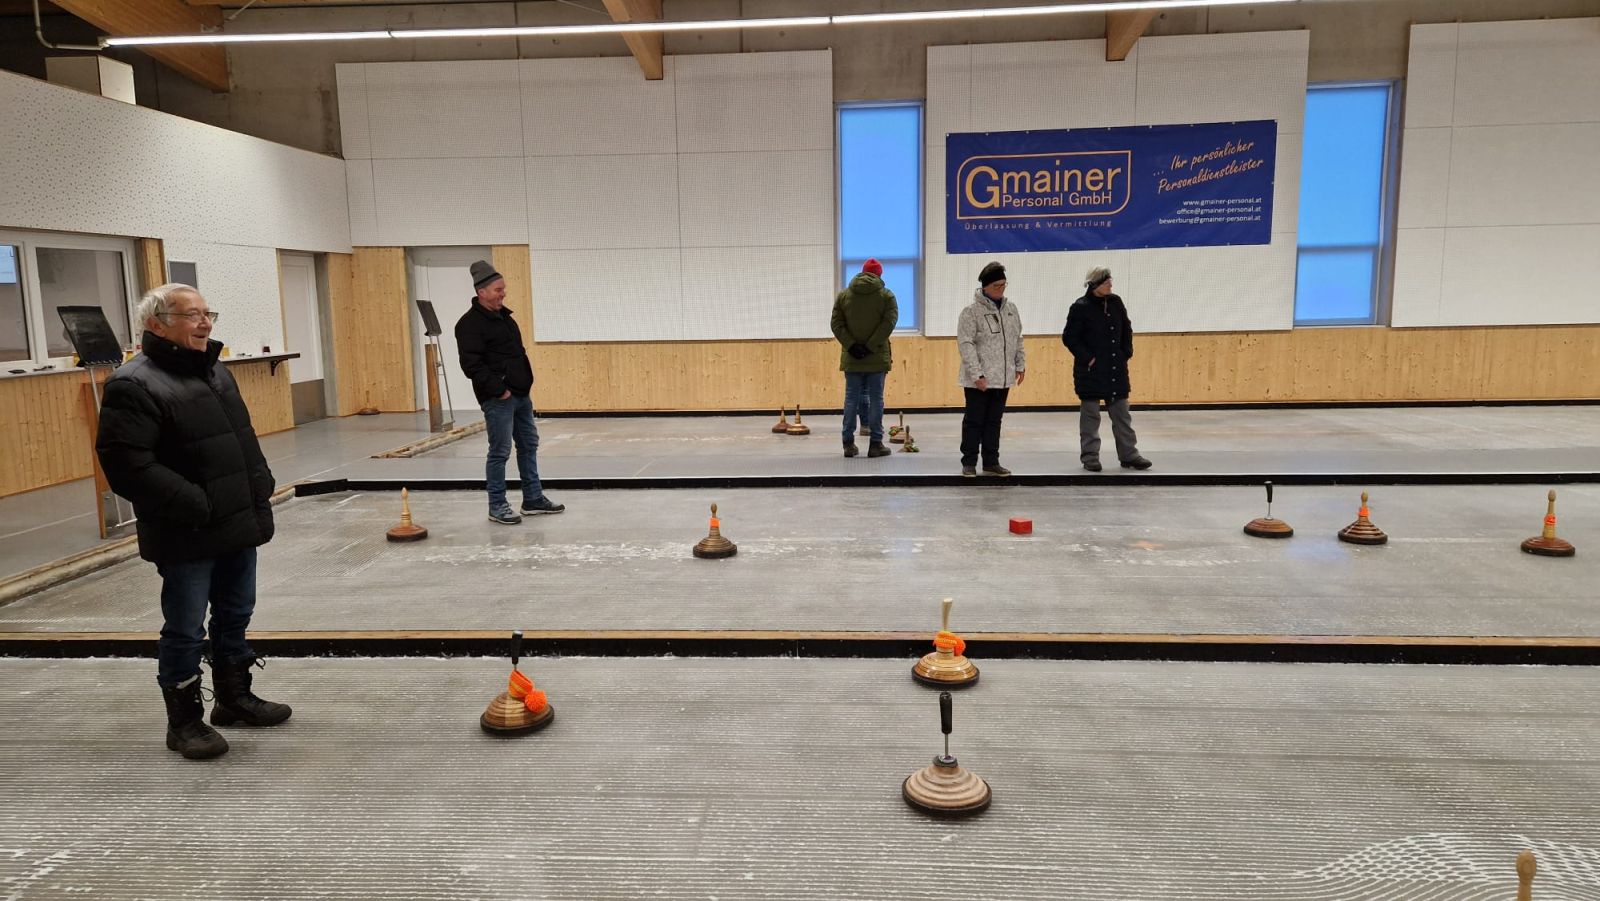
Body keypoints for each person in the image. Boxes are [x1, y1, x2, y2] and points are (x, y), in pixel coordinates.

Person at [96, 283, 290, 760]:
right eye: (191, 315)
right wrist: (196, 504)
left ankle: (234, 698)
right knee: (185, 628)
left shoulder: (214, 370)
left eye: (207, 313)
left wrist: (259, 482)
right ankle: (183, 723)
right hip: (186, 529)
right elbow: (128, 465)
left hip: (235, 518)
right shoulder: (133, 383)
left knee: (235, 613)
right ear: (156, 325)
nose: (204, 323)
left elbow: (239, 438)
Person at [455, 259, 563, 523]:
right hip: (498, 399)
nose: (503, 294)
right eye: (498, 290)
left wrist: (523, 383)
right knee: (499, 452)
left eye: (503, 289)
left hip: (521, 395)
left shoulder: (505, 318)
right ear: (481, 292)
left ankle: (533, 498)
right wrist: (499, 390)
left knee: (528, 445)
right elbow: (472, 365)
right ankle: (497, 505)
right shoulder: (469, 324)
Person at [1062, 266, 1151, 471]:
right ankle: (1090, 457)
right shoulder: (1080, 307)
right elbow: (1070, 338)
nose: (1110, 284)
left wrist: (1125, 352)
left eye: (1110, 280)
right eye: (1106, 281)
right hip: (1090, 372)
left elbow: (1126, 328)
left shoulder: (1116, 302)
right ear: (1094, 284)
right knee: (1090, 417)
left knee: (1122, 415)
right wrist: (1088, 358)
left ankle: (1129, 455)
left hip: (1115, 369)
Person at [956, 261, 1025, 477]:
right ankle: (969, 462)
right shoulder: (971, 312)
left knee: (994, 422)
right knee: (974, 421)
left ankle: (991, 461)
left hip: (1003, 378)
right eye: (997, 285)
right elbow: (966, 344)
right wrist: (977, 374)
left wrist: (1020, 364)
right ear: (985, 287)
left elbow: (1018, 339)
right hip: (979, 380)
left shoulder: (1011, 310)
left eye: (1004, 284)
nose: (1001, 289)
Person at [831, 258, 898, 458]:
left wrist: (852, 345)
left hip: (852, 358)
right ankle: (876, 444)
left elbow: (836, 324)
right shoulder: (887, 296)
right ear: (879, 275)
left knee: (851, 399)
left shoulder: (844, 296)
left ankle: (848, 443)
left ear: (862, 272)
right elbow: (889, 323)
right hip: (876, 357)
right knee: (876, 400)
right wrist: (870, 346)